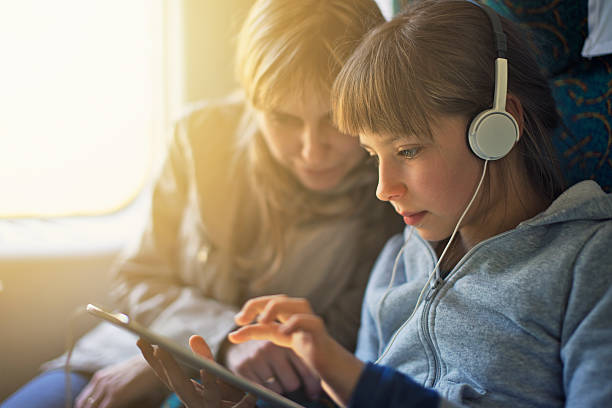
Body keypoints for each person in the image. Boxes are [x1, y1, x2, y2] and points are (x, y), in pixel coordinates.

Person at [143, 0, 612, 407]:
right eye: (373, 156)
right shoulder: (397, 264)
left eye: (407, 150)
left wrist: (352, 377)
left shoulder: (591, 265)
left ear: (498, 126)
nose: (382, 188)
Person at [0, 1, 400, 407]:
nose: (312, 150)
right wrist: (208, 342)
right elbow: (137, 278)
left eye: (332, 119)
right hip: (133, 349)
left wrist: (195, 362)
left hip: (276, 384)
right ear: (252, 101)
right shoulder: (198, 139)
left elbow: (347, 336)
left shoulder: (393, 189)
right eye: (284, 119)